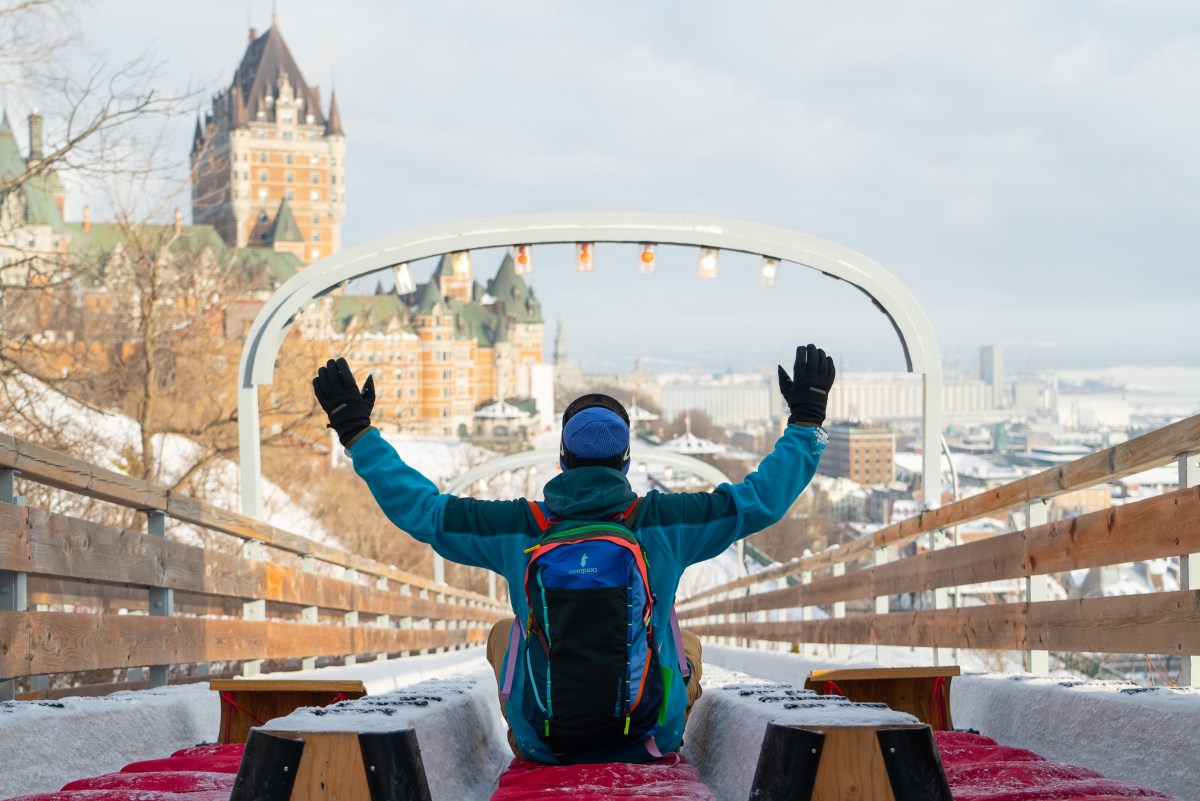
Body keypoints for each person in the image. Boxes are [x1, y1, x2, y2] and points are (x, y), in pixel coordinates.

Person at [312, 343, 835, 765]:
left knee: (505, 631)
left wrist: (358, 433)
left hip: (545, 745)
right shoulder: (665, 522)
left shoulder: (520, 527)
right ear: (625, 460)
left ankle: (537, 722)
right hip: (649, 739)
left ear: (563, 458)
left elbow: (424, 511)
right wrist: (806, 422)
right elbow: (758, 501)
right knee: (683, 637)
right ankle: (655, 721)